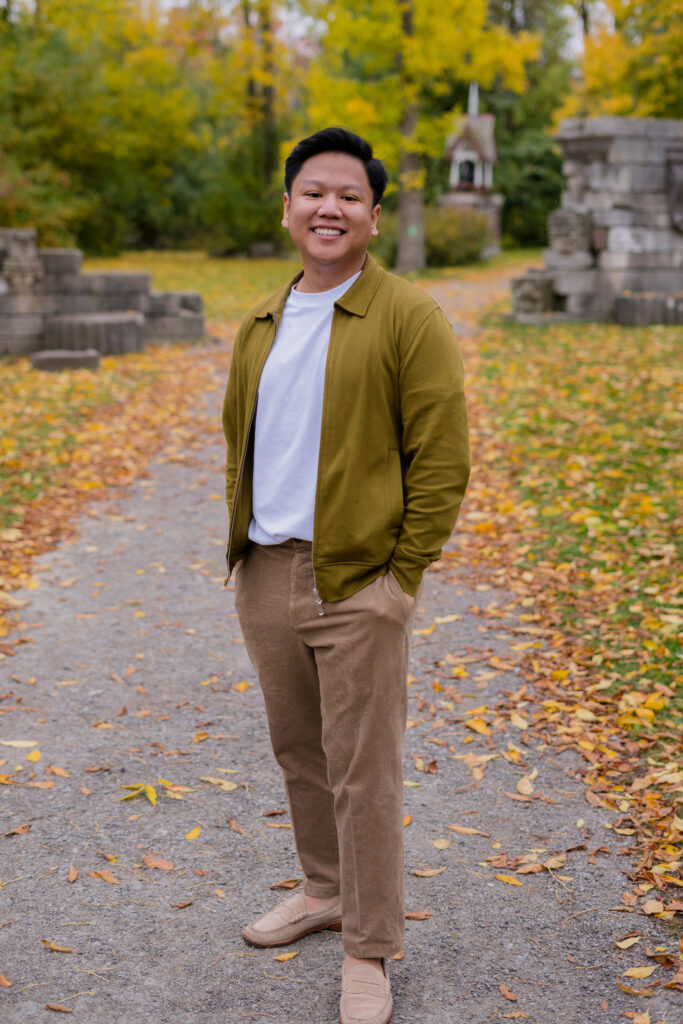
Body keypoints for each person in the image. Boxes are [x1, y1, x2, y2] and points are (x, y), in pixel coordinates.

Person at [222, 126, 470, 1024]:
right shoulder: (262, 321)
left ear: (370, 214)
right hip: (267, 575)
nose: (329, 208)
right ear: (287, 206)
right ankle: (323, 891)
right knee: (299, 753)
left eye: (349, 197)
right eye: (313, 192)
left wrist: (398, 580)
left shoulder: (407, 315)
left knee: (363, 771)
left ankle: (370, 947)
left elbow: (442, 459)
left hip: (357, 582)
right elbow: (240, 443)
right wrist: (245, 551)